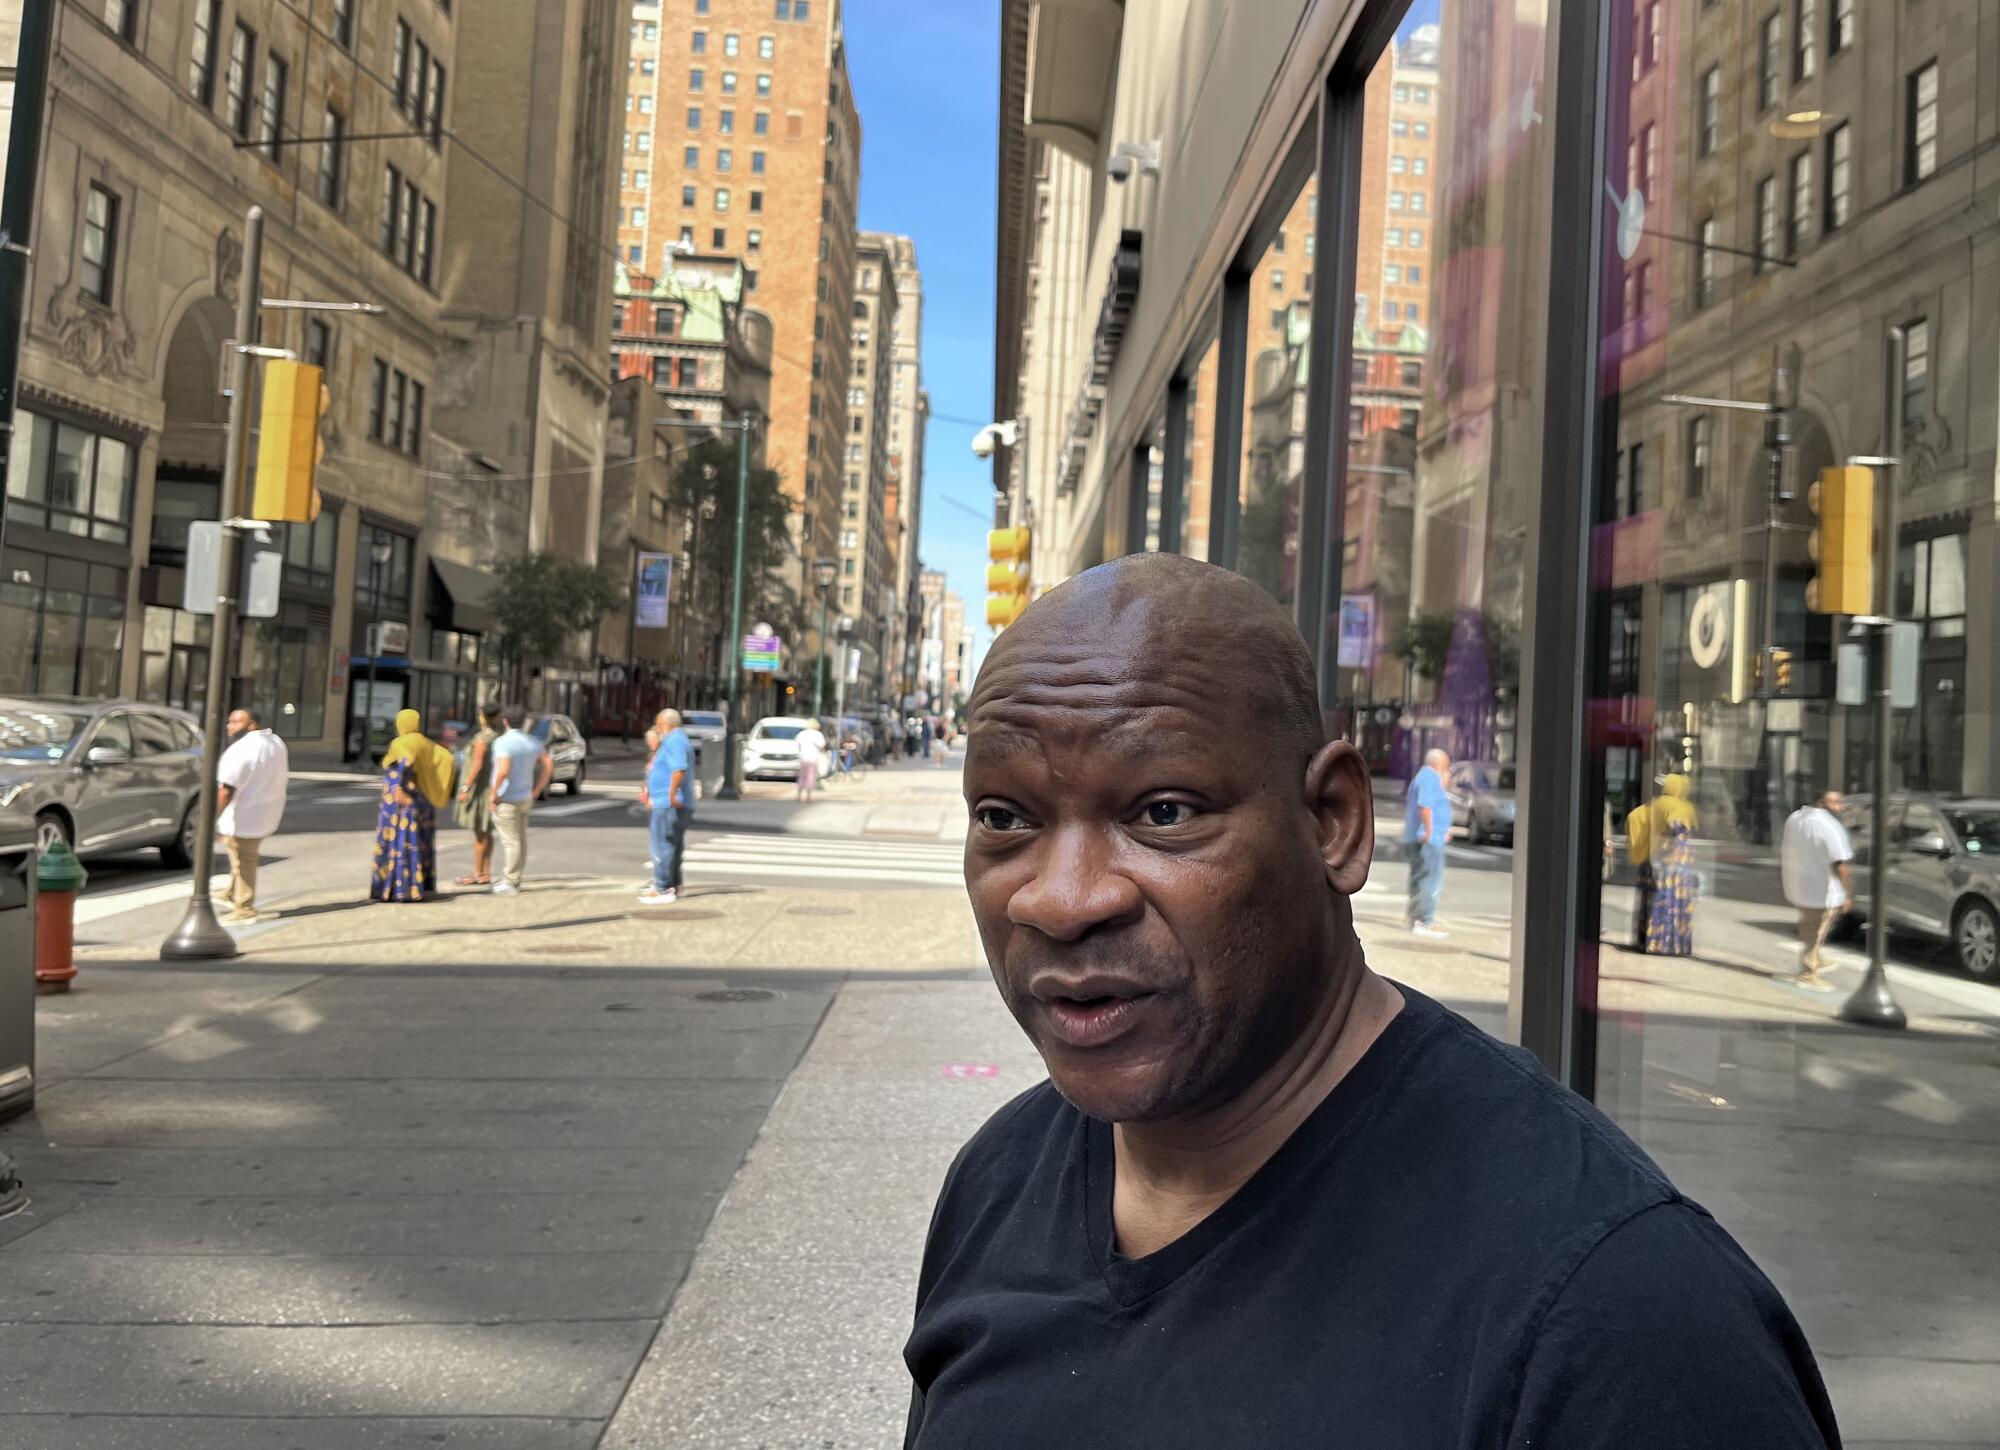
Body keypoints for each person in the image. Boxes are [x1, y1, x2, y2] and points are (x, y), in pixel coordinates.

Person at [906, 553, 1838, 1448]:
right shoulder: (997, 1180)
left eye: (1164, 811)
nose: (1062, 901)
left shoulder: (1621, 1314)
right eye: (1004, 818)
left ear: (1334, 824)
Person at [370, 709, 455, 903]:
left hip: (400, 806)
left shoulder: (403, 742)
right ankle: (417, 887)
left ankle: (395, 889)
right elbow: (446, 758)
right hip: (422, 801)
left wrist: (400, 786)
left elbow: (405, 761)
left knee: (398, 844)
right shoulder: (425, 743)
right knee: (418, 843)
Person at [214, 707, 288, 923]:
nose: (230, 726)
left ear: (252, 725)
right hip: (266, 811)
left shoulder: (242, 749)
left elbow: (227, 788)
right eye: (229, 722)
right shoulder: (275, 742)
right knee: (239, 857)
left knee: (244, 861)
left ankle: (244, 908)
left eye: (236, 722)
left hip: (245, 815)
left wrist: (214, 817)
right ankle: (229, 893)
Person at [1782, 789, 1852, 990]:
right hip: (1822, 889)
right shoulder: (1829, 826)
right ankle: (1808, 973)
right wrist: (1847, 893)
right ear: (1821, 803)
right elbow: (1840, 863)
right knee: (1815, 932)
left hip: (1799, 884)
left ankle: (1817, 960)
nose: (1840, 807)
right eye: (1835, 802)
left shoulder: (1796, 817)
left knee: (1809, 927)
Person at [487, 704, 554, 894]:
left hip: (507, 797)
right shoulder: (532, 741)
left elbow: (504, 769)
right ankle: (515, 878)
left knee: (510, 841)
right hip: (525, 795)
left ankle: (510, 881)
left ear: (505, 721)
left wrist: (494, 793)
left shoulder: (502, 742)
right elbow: (548, 764)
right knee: (521, 838)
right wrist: (538, 789)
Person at [639, 708, 693, 905]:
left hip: (666, 801)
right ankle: (674, 885)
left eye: (659, 724)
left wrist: (671, 794)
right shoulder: (677, 739)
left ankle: (663, 887)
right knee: (672, 845)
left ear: (667, 724)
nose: (657, 728)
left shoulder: (674, 740)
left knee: (662, 845)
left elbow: (679, 769)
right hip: (669, 800)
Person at [1643, 773, 1699, 957]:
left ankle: (1657, 941)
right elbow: (1684, 829)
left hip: (1664, 857)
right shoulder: (1686, 807)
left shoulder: (1658, 803)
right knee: (1679, 901)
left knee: (1663, 899)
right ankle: (1677, 944)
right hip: (1682, 861)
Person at [1403, 746, 1451, 937]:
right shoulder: (1430, 777)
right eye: (1447, 765)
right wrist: (1430, 830)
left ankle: (1415, 918)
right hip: (1428, 840)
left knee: (1419, 878)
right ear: (1440, 764)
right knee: (1430, 881)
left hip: (1420, 837)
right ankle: (1424, 921)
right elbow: (1425, 805)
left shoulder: (1421, 777)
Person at [451, 704, 501, 888]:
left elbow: (477, 765)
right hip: (490, 789)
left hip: (479, 792)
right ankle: (485, 873)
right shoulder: (498, 738)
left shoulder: (482, 739)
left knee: (480, 835)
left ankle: (478, 873)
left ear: (482, 717)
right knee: (487, 834)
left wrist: (465, 788)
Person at [794, 716, 827, 802]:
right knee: (811, 776)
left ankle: (799, 795)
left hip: (803, 758)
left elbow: (798, 746)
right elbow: (822, 746)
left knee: (802, 776)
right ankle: (809, 796)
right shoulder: (818, 734)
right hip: (813, 758)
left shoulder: (801, 734)